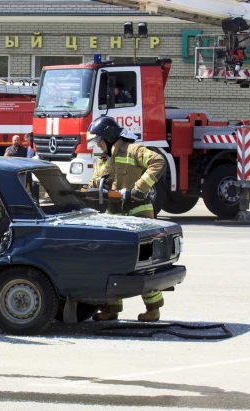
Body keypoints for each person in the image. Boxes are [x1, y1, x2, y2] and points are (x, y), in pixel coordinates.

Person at [86, 115, 166, 322]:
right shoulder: (103, 159)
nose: (98, 145)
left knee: (144, 262)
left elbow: (158, 161)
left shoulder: (133, 150)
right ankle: (111, 308)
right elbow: (96, 182)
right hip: (114, 213)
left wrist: (139, 188)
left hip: (139, 210)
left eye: (100, 140)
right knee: (111, 261)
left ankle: (153, 308)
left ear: (110, 136)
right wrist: (94, 187)